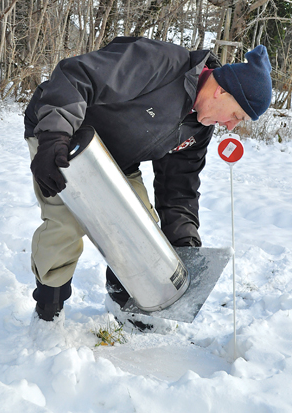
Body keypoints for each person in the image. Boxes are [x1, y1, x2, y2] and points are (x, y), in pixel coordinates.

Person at [24, 36, 272, 325]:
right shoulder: (161, 63)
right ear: (222, 91)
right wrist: (55, 135)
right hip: (64, 134)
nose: (231, 126)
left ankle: (121, 302)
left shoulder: (199, 129)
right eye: (236, 115)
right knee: (66, 223)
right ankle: (48, 311)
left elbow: (178, 189)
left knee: (141, 229)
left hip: (116, 157)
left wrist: (185, 242)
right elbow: (76, 76)